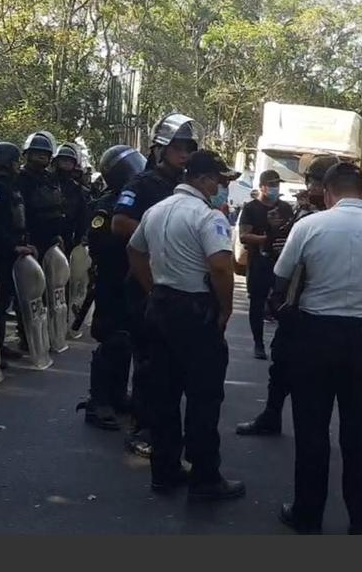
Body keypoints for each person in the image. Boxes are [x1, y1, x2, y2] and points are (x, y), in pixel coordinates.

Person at [272, 162, 362, 535]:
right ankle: (361, 518)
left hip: (315, 335)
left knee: (312, 428)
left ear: (328, 190)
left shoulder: (308, 227)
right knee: (360, 430)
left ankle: (307, 514)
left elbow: (281, 277)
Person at [127, 150, 245, 500]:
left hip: (160, 306)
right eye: (220, 181)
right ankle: (206, 477)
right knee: (203, 396)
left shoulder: (156, 211)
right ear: (205, 179)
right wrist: (225, 310)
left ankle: (164, 471)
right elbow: (222, 267)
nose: (222, 188)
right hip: (195, 311)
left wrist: (153, 289)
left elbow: (135, 252)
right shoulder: (208, 217)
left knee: (163, 393)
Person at [112, 112, 203, 458]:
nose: (184, 154)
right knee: (148, 359)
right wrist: (157, 234)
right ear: (161, 149)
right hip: (146, 281)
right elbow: (120, 223)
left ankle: (165, 429)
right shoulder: (142, 184)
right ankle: (142, 427)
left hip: (178, 286)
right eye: (178, 147)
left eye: (188, 148)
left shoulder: (188, 188)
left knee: (170, 362)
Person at [235, 155, 341, 437]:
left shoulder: (313, 217)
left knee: (296, 366)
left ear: (323, 185)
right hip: (312, 305)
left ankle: (296, 425)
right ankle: (273, 415)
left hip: (306, 305)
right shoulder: (305, 212)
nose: (309, 188)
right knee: (282, 364)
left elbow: (285, 252)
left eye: (313, 183)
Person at [76, 145, 147, 430]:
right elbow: (102, 245)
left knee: (128, 339)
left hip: (132, 281)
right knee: (111, 339)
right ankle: (98, 401)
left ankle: (117, 395)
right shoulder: (106, 206)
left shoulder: (135, 201)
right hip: (112, 280)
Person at [0, 142, 35, 363]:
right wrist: (11, 246)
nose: (17, 166)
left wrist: (25, 242)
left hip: (13, 250)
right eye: (15, 162)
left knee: (3, 301)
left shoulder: (11, 186)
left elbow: (19, 219)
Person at [238, 169, 294, 360]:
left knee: (282, 302)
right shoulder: (251, 208)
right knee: (257, 302)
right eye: (271, 185)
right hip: (259, 261)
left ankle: (281, 344)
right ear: (262, 186)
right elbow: (244, 235)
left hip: (281, 261)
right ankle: (258, 343)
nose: (275, 189)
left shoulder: (285, 208)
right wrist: (266, 237)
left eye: (277, 185)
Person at [17, 131, 65, 258]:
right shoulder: (19, 177)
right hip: (29, 241)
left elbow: (57, 210)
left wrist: (57, 236)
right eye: (37, 153)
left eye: (45, 153)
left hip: (50, 241)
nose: (42, 156)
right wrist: (23, 242)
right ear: (27, 154)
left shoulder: (50, 179)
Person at [51, 143, 89, 256]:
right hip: (47, 237)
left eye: (70, 161)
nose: (67, 163)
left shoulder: (77, 189)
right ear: (56, 161)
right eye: (64, 160)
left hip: (69, 236)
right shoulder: (46, 182)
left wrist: (81, 237)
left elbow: (83, 216)